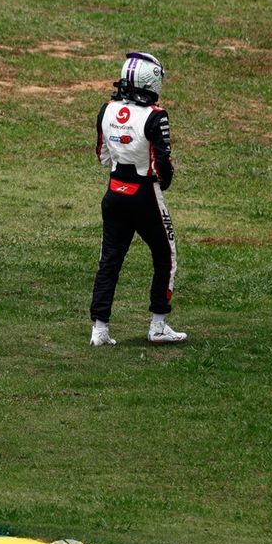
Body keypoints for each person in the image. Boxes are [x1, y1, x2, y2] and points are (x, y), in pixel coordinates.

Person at [90, 52, 187, 346]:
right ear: (151, 80)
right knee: (165, 255)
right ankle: (158, 325)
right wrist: (163, 182)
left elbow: (102, 156)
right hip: (145, 194)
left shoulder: (107, 109)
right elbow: (163, 163)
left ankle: (99, 330)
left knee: (109, 260)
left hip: (114, 191)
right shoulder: (156, 115)